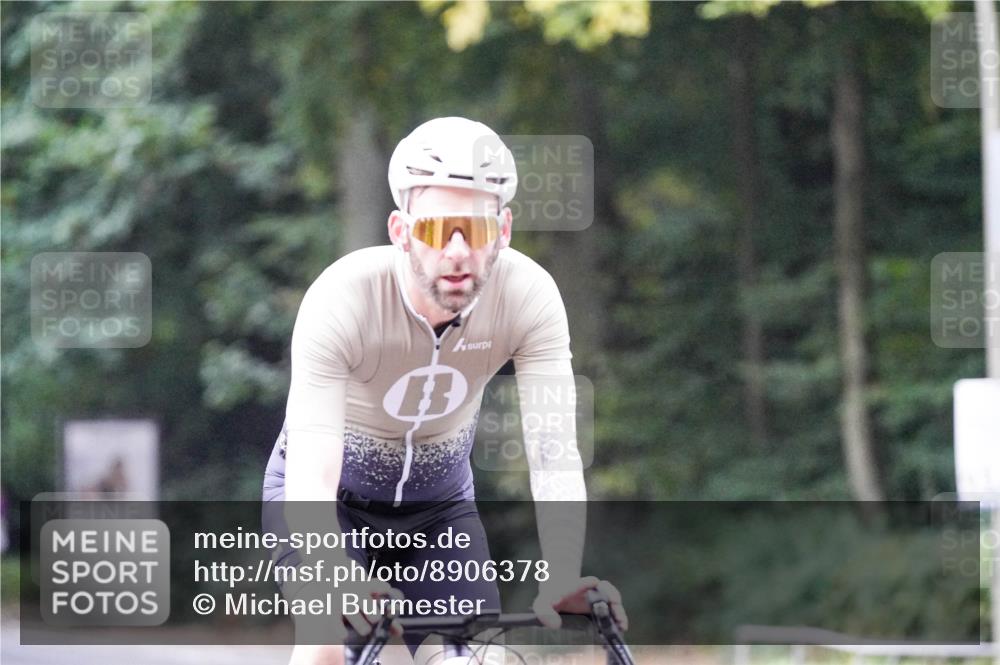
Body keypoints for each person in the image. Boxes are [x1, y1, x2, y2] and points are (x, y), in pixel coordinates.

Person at [262, 117, 626, 665]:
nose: (456, 251)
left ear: (502, 231)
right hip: (329, 504)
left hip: (438, 513)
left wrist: (562, 573)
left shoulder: (530, 298)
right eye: (435, 230)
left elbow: (553, 448)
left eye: (475, 231)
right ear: (401, 231)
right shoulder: (342, 298)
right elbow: (313, 470)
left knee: (481, 659)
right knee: (327, 646)